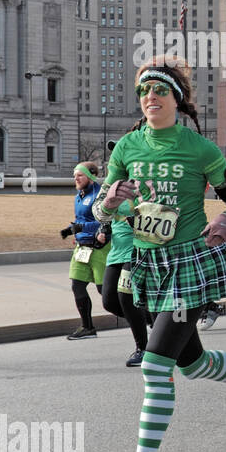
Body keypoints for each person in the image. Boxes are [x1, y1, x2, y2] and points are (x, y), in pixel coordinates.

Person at [88, 55, 226, 452]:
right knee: (192, 364)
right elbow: (101, 209)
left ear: (177, 98)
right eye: (143, 92)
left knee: (156, 367)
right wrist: (111, 200)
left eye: (159, 90)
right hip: (147, 266)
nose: (149, 97)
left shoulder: (201, 149)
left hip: (189, 265)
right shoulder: (127, 148)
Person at [98, 145, 150, 367]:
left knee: (125, 296)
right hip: (117, 249)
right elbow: (99, 210)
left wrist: (138, 219)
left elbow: (162, 211)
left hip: (139, 246)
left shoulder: (147, 181)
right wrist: (105, 223)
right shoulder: (112, 183)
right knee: (110, 301)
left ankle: (143, 348)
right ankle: (158, 320)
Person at [62, 161, 110, 340]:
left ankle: (146, 318)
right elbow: (79, 219)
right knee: (77, 285)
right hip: (82, 248)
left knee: (104, 292)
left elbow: (104, 221)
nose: (76, 178)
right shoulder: (78, 195)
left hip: (99, 248)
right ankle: (87, 327)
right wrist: (72, 231)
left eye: (79, 175)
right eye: (74, 175)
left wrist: (80, 228)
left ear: (91, 176)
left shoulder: (99, 195)